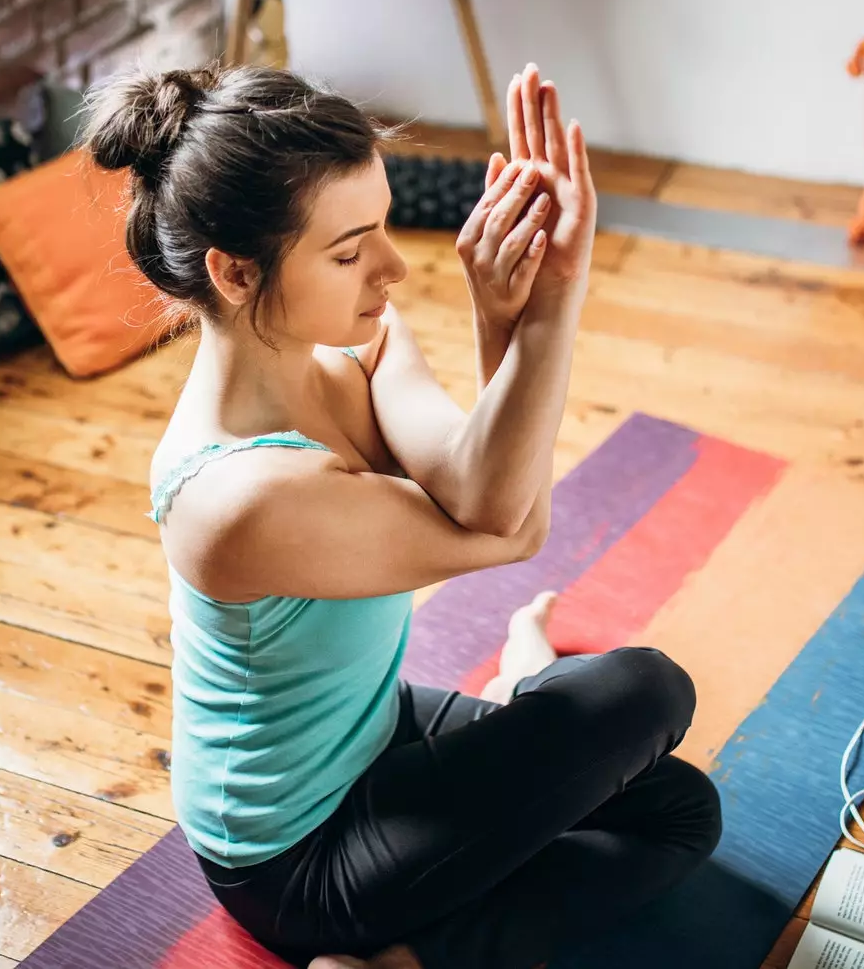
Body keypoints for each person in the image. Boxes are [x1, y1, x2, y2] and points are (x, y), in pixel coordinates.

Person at [84, 60, 722, 969]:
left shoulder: (359, 344)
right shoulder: (239, 498)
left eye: (379, 227)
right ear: (233, 271)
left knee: (680, 809)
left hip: (372, 726)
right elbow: (514, 529)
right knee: (645, 690)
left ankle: (504, 739)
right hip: (296, 857)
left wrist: (506, 317)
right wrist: (552, 304)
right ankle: (397, 957)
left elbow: (480, 489)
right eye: (348, 251)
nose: (391, 266)